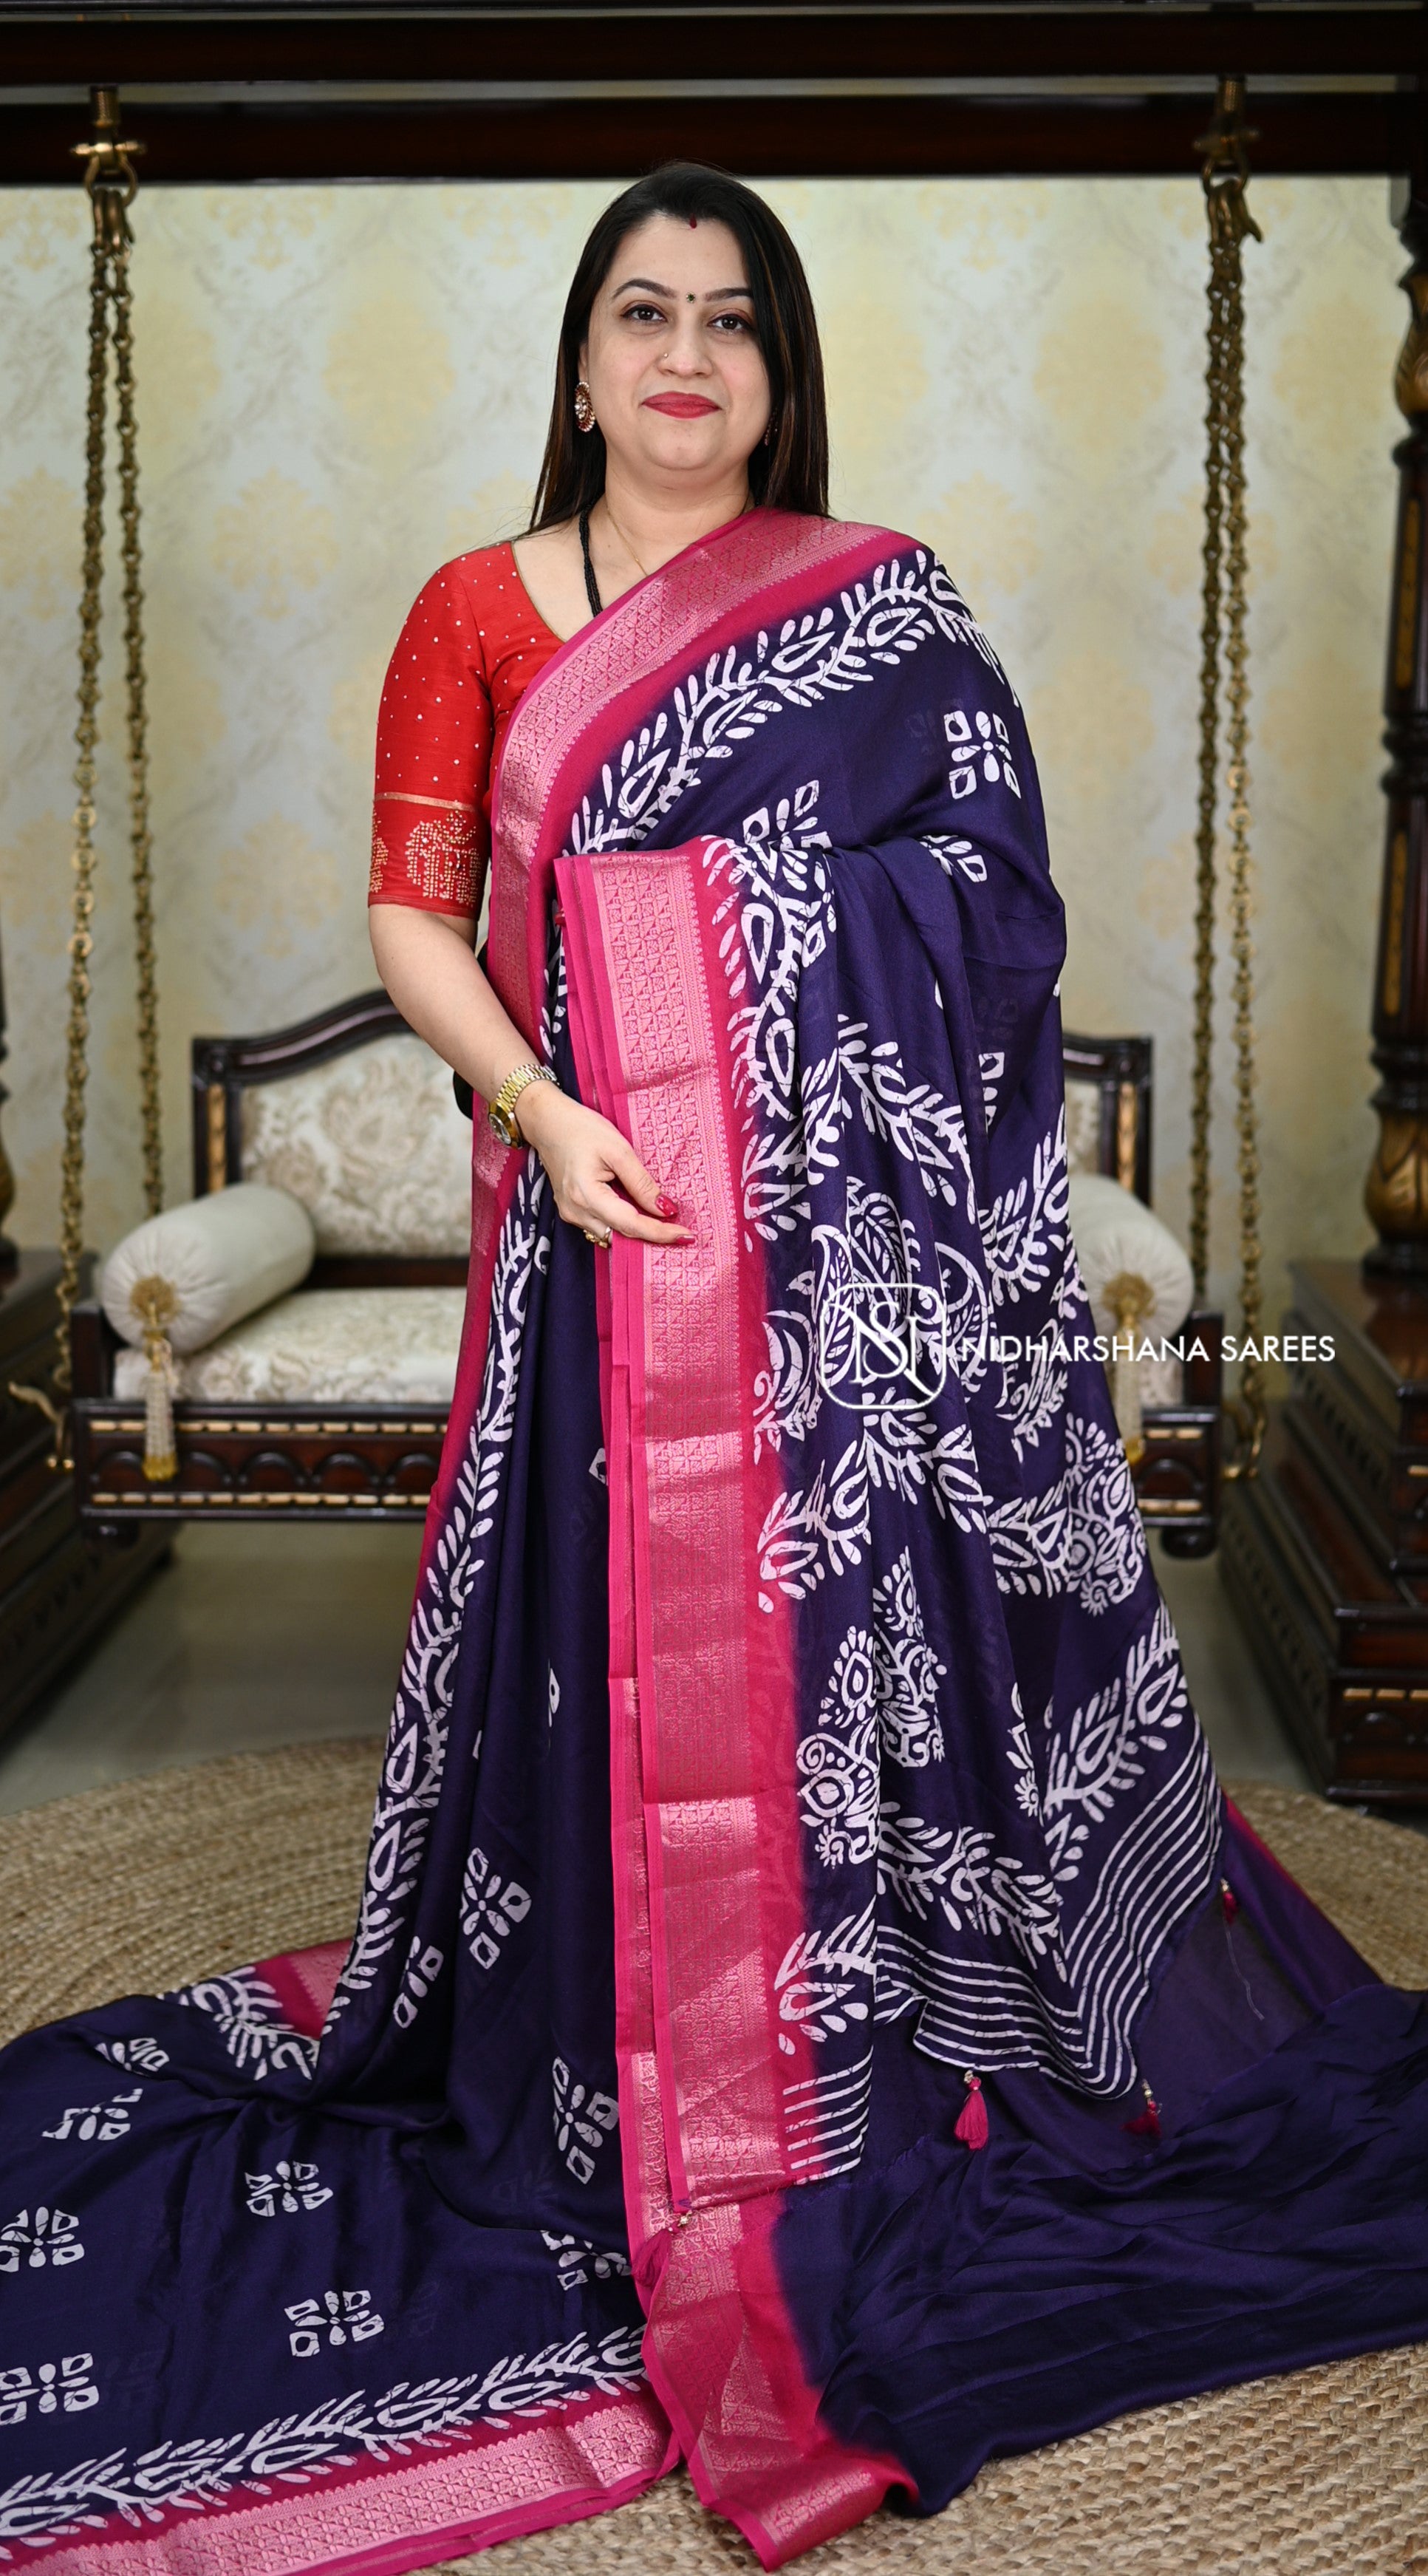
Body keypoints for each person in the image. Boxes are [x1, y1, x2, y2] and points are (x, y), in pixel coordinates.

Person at [4, 161, 1428, 2576]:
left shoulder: (884, 610)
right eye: (645, 314)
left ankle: (881, 2030)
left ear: (778, 369)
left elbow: (992, 909)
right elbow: (411, 913)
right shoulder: (477, 609)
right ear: (580, 365)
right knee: (614, 1669)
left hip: (854, 1280)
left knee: (851, 1641)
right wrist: (548, 1113)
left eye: (734, 319)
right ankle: (619, 2053)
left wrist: (736, 940)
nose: (689, 356)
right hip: (602, 1237)